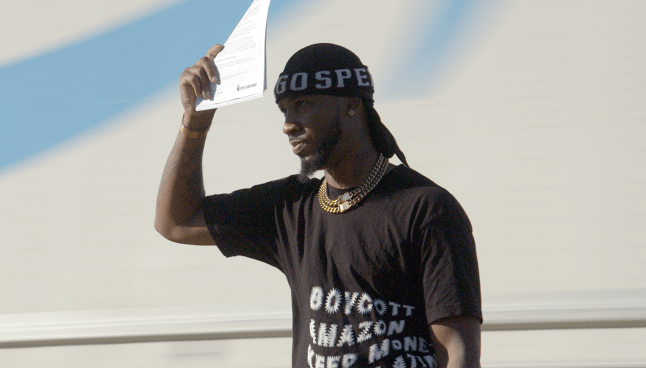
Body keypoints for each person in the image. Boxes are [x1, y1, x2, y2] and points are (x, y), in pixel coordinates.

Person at [155, 43, 481, 368]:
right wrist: (195, 122)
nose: (288, 124)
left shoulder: (426, 208)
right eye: (284, 110)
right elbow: (177, 222)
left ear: (352, 105)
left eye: (302, 105)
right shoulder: (289, 207)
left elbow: (457, 353)